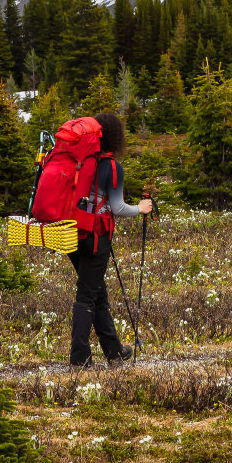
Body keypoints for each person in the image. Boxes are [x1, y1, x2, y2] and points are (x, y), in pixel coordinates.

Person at [68, 111, 153, 368]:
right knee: (87, 295)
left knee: (97, 293)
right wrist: (140, 208)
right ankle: (79, 358)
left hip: (71, 233)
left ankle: (114, 352)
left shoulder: (79, 161)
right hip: (96, 238)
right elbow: (116, 207)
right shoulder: (112, 166)